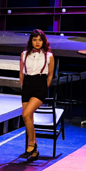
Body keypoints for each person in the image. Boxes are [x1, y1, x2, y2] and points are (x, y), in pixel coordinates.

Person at [19, 29, 55, 162]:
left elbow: (50, 75)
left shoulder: (49, 56)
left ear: (44, 41)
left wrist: (44, 87)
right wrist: (23, 87)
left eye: (40, 40)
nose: (37, 42)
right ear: (31, 41)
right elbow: (21, 73)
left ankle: (31, 144)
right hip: (27, 85)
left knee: (26, 114)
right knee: (29, 118)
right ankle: (35, 151)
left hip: (40, 86)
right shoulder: (24, 54)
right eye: (35, 40)